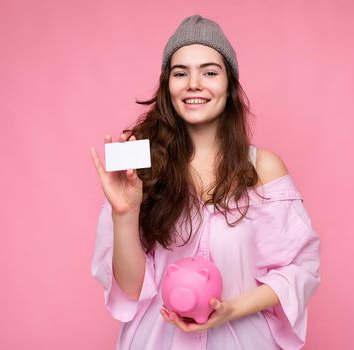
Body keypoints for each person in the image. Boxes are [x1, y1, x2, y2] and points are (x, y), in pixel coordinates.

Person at [90, 14, 320, 350]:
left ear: (230, 84)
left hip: (241, 339)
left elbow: (300, 269)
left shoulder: (263, 168)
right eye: (180, 73)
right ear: (167, 87)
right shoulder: (140, 164)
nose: (193, 84)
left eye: (209, 72)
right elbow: (131, 288)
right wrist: (124, 212)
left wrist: (231, 309)